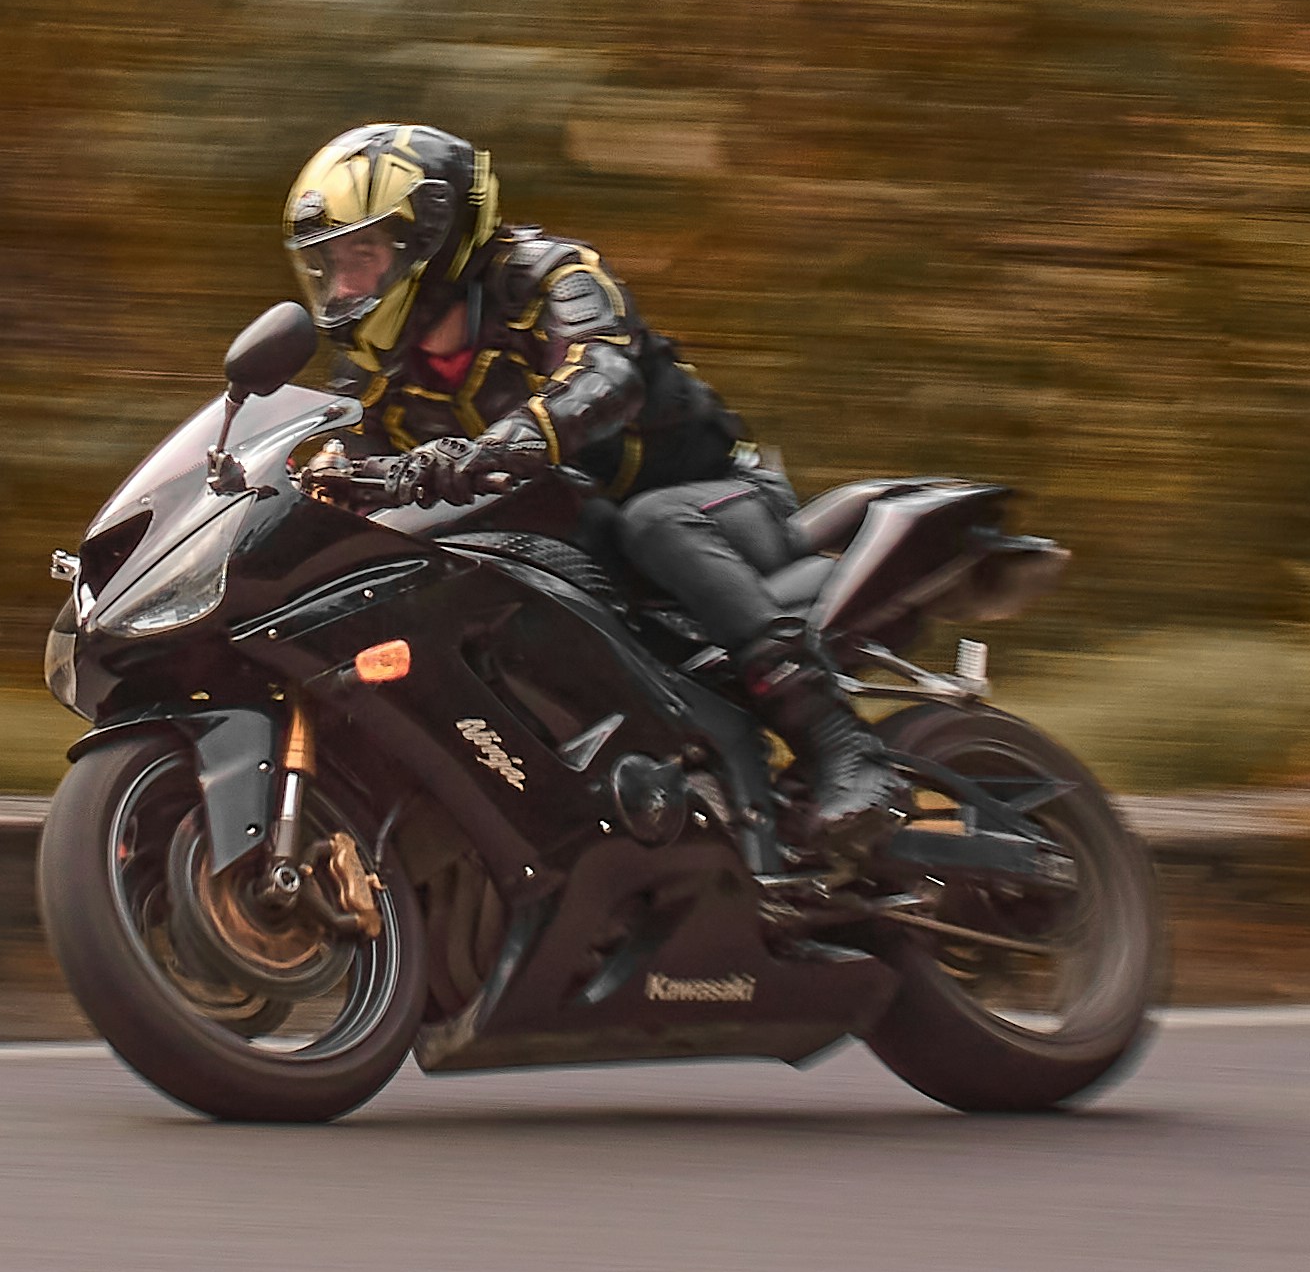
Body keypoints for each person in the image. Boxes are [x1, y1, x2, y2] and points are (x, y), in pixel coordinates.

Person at [277, 121, 906, 848]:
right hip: (571, 542)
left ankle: (843, 746)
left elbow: (605, 377)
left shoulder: (548, 276)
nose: (346, 284)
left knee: (654, 522)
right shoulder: (373, 376)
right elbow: (348, 471)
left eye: (363, 254)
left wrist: (495, 444)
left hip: (713, 503)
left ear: (432, 236)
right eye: (330, 264)